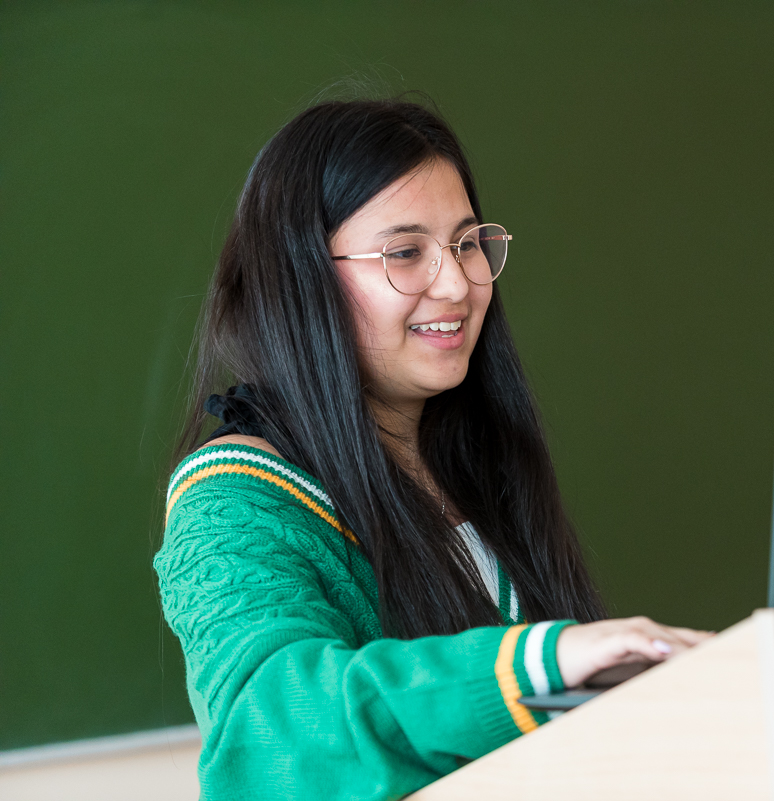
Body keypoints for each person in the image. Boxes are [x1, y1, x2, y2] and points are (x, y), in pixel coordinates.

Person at [154, 96, 710, 799]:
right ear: (300, 278)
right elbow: (269, 735)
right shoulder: (231, 499)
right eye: (406, 253)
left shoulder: (467, 456)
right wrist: (539, 659)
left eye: (467, 243)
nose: (457, 284)